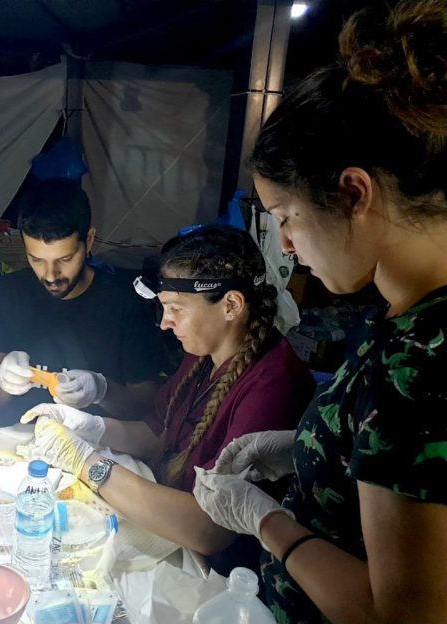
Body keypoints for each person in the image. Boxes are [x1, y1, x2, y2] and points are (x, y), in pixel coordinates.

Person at [192, 2, 447, 622]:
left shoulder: (418, 362)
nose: (284, 246)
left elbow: (399, 614)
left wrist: (267, 520)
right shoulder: (401, 311)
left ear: (354, 193)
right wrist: (310, 448)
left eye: (284, 218)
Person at [22, 225, 314, 575]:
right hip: (171, 529)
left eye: (175, 308)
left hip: (221, 571)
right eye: (163, 308)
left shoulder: (273, 384)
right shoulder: (204, 353)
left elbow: (210, 531)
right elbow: (157, 433)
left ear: (231, 305)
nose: (164, 323)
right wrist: (90, 427)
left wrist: (89, 464)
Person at [0, 178, 165, 427]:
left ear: (89, 239)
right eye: (37, 259)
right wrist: (2, 383)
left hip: (96, 447)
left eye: (65, 258)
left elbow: (144, 405)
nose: (51, 275)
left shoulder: (124, 302)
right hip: (18, 444)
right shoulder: (9, 294)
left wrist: (102, 391)